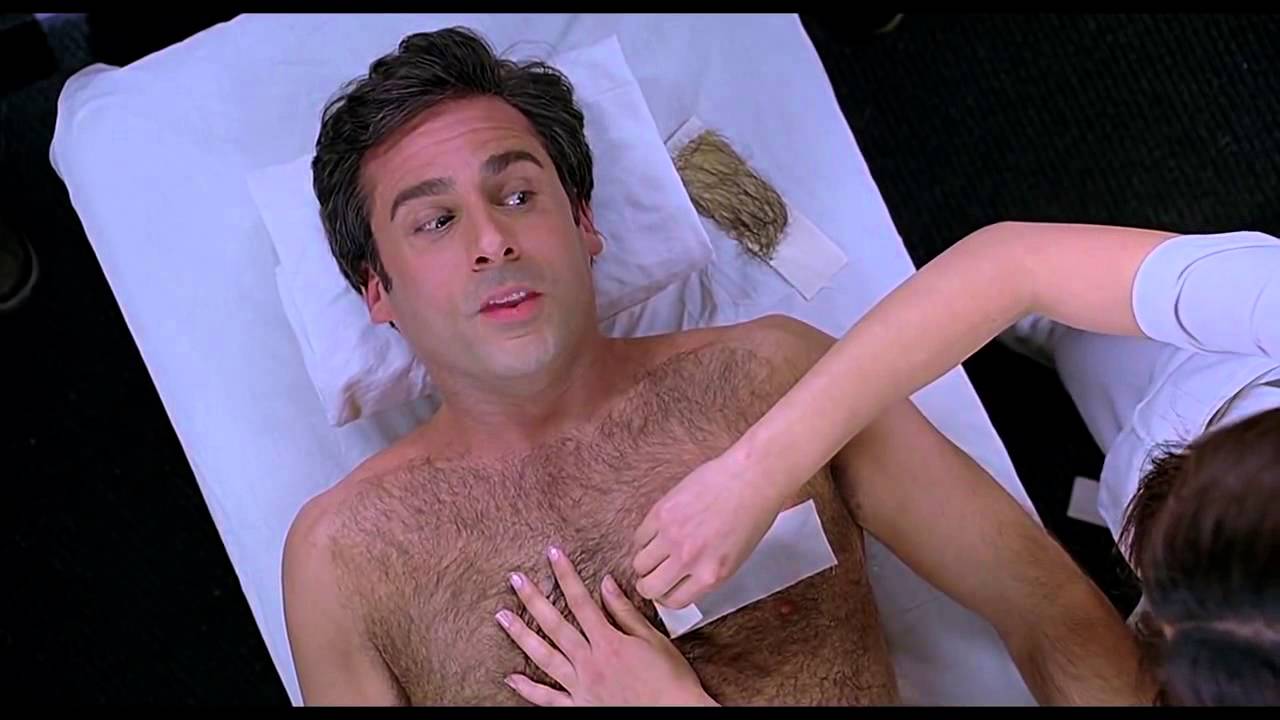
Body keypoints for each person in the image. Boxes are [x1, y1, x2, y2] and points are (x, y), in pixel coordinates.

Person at [280, 28, 1144, 706]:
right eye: (435, 222)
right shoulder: (344, 562)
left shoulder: (772, 381)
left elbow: (1046, 608)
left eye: (517, 195)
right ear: (376, 289)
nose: (492, 239)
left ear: (583, 224)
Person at [624, 222, 1280, 705]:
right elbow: (1018, 265)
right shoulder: (1265, 303)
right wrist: (756, 470)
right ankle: (1056, 336)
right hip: (1195, 372)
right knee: (1083, 338)